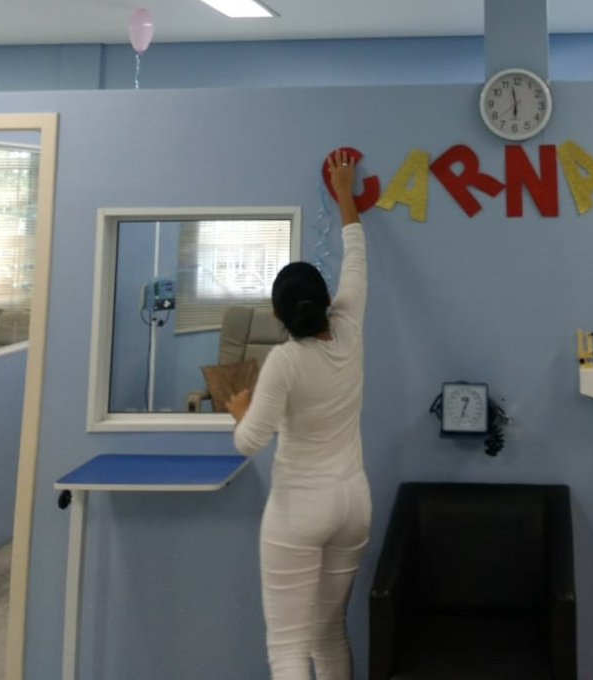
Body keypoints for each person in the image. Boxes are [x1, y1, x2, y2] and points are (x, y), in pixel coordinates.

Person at [226, 149, 370, 680]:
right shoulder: (350, 328)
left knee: (287, 650)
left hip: (300, 511)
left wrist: (240, 410)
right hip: (353, 503)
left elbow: (250, 442)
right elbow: (356, 253)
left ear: (277, 314)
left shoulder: (285, 362)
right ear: (328, 298)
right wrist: (345, 192)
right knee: (328, 636)